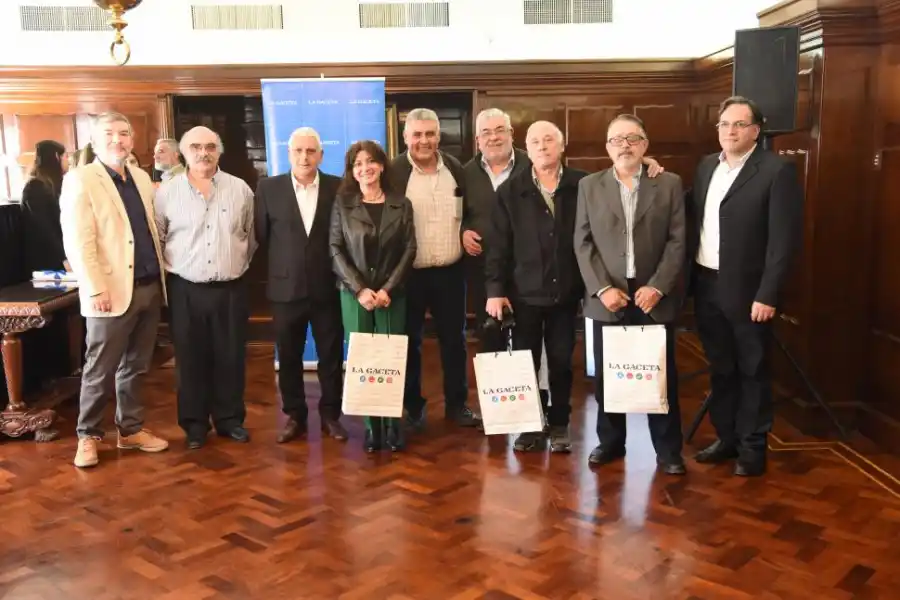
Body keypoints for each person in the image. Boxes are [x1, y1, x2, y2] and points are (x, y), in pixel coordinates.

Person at [689, 96, 803, 476]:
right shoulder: (707, 166)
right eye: (724, 124)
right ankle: (727, 438)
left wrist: (768, 294)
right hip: (706, 285)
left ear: (756, 130)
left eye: (739, 124)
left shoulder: (776, 170)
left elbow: (782, 241)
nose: (730, 131)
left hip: (750, 293)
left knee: (752, 369)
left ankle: (753, 448)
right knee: (721, 368)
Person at [574, 113, 687, 474]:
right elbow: (582, 241)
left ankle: (668, 452)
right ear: (607, 147)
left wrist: (658, 286)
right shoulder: (589, 186)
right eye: (616, 140)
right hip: (608, 295)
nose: (625, 145)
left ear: (645, 145)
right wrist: (602, 288)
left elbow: (677, 240)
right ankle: (610, 443)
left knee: (659, 374)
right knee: (610, 375)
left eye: (632, 138)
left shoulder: (668, 184)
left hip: (653, 294)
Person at [59, 112, 169, 468]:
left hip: (149, 287)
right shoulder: (81, 179)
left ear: (133, 139)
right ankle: (87, 435)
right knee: (99, 369)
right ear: (94, 140)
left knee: (136, 366)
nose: (117, 140)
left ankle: (130, 429)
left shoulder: (139, 176)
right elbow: (79, 241)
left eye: (123, 134)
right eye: (109, 134)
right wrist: (93, 289)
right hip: (108, 291)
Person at [485, 120, 587, 453]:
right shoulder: (509, 191)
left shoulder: (583, 185)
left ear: (562, 145)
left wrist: (648, 162)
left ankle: (559, 424)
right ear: (526, 149)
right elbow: (498, 247)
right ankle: (530, 424)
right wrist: (495, 291)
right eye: (535, 142)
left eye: (549, 140)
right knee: (525, 362)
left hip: (566, 293)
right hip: (523, 294)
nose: (542, 146)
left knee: (560, 361)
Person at [154, 125, 256, 449]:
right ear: (183, 152)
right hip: (186, 289)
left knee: (231, 357)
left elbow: (250, 238)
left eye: (210, 146)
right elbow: (159, 238)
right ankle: (195, 424)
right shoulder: (167, 192)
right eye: (196, 146)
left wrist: (233, 265)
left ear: (219, 151)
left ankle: (229, 420)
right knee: (190, 358)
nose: (203, 152)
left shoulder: (240, 189)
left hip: (231, 288)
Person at [255, 127, 347, 443]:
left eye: (311, 151)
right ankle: (295, 415)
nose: (304, 157)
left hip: (329, 288)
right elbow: (262, 236)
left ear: (321, 155)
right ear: (289, 154)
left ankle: (331, 415)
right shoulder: (268, 188)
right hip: (285, 290)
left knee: (331, 356)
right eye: (298, 151)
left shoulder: (339, 187)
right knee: (289, 356)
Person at [389, 108, 479, 429]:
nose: (424, 140)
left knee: (454, 341)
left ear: (439, 136)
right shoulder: (393, 172)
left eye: (430, 134)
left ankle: (457, 405)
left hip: (451, 273)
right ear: (405, 138)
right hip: (408, 275)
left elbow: (470, 210)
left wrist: (467, 228)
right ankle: (413, 406)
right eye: (417, 134)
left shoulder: (456, 168)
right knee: (408, 342)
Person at [330, 140, 416, 452]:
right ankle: (371, 429)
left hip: (393, 295)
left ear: (381, 165)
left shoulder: (401, 203)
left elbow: (409, 249)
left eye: (370, 162)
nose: (365, 169)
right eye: (358, 164)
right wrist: (361, 289)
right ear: (352, 171)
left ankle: (394, 426)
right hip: (355, 295)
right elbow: (335, 250)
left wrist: (387, 289)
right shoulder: (343, 204)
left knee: (392, 360)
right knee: (363, 362)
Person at [22, 140, 69, 272]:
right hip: (47, 259)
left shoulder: (56, 185)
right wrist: (63, 258)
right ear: (56, 157)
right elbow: (45, 228)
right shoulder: (34, 187)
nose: (68, 161)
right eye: (66, 156)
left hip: (62, 253)